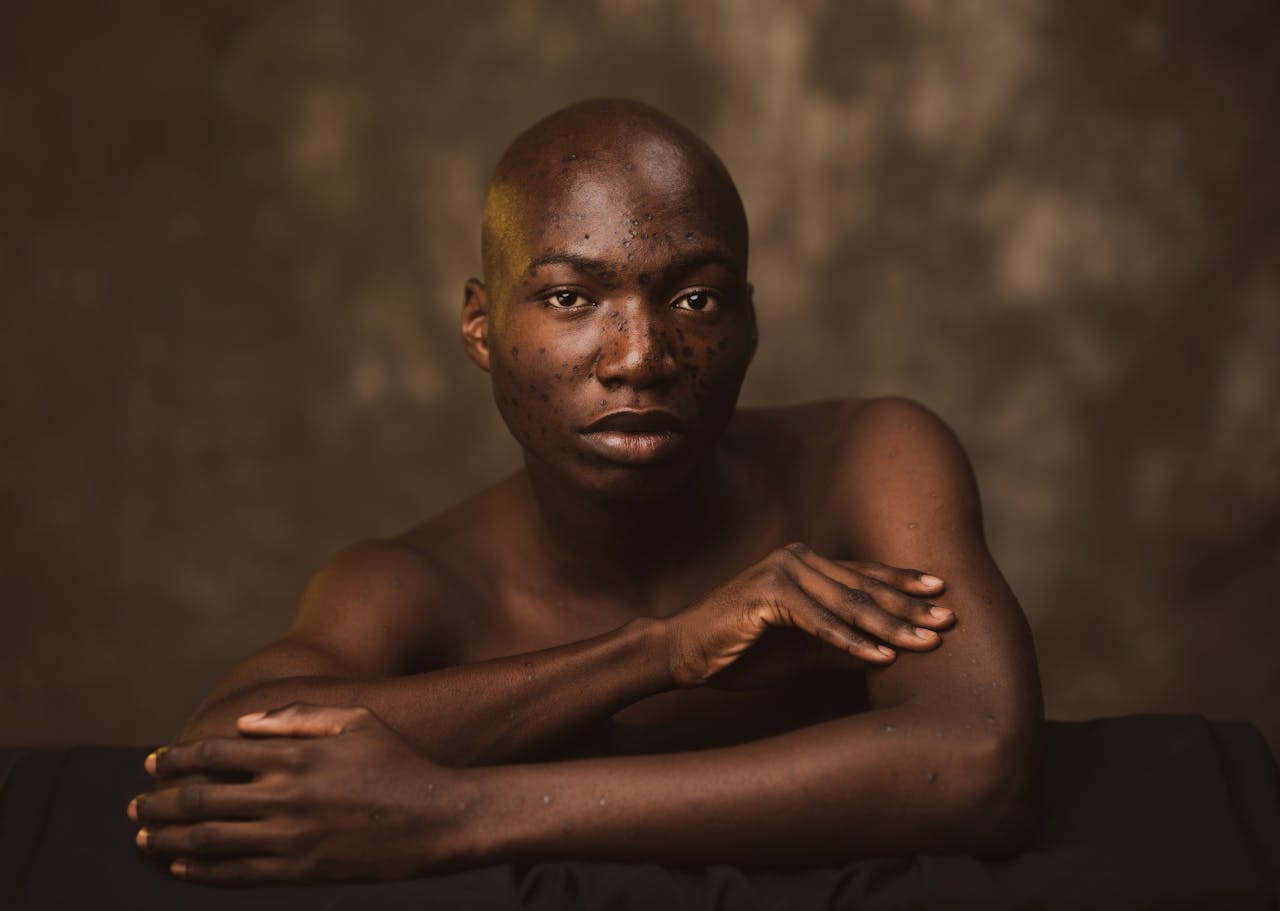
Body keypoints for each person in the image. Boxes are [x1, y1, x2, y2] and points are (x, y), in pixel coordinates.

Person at [127, 98, 1043, 884]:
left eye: (695, 300)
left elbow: (980, 764)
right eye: (571, 298)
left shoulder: (869, 459)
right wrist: (659, 652)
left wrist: (458, 812)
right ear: (482, 328)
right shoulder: (413, 583)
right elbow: (222, 764)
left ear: (750, 323)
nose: (640, 358)